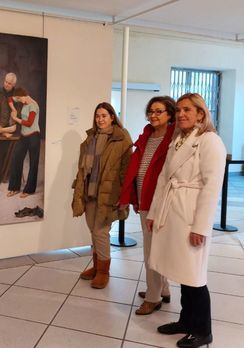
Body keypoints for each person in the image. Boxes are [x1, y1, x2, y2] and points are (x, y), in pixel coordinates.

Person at [146, 93, 226, 348]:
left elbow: (211, 188)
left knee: (194, 274)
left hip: (191, 215)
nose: (181, 114)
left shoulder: (210, 141)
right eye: (178, 110)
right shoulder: (179, 139)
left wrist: (201, 227)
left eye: (187, 110)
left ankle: (203, 330)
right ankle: (185, 320)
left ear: (201, 113)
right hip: (173, 211)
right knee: (180, 270)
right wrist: (154, 213)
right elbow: (163, 179)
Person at [119, 96, 176, 315]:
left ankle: (153, 297)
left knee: (152, 251)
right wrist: (135, 198)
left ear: (169, 114)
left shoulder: (173, 139)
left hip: (160, 202)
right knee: (155, 248)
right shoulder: (147, 136)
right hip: (145, 200)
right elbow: (137, 169)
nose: (153, 115)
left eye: (159, 111)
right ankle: (163, 289)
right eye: (151, 111)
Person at [71, 102, 132, 289]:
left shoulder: (122, 139)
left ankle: (104, 272)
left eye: (104, 115)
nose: (100, 119)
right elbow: (83, 169)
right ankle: (97, 267)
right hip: (90, 192)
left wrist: (124, 198)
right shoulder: (90, 139)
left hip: (109, 194)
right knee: (93, 230)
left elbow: (126, 171)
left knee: (101, 232)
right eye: (98, 115)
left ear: (112, 117)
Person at [6, 88, 41, 198]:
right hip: (23, 136)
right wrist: (13, 109)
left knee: (33, 163)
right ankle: (14, 187)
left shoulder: (33, 106)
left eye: (20, 99)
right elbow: (10, 98)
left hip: (33, 136)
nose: (20, 101)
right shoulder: (23, 99)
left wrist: (15, 118)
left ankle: (29, 190)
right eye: (19, 99)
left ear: (24, 95)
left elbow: (29, 123)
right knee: (16, 158)